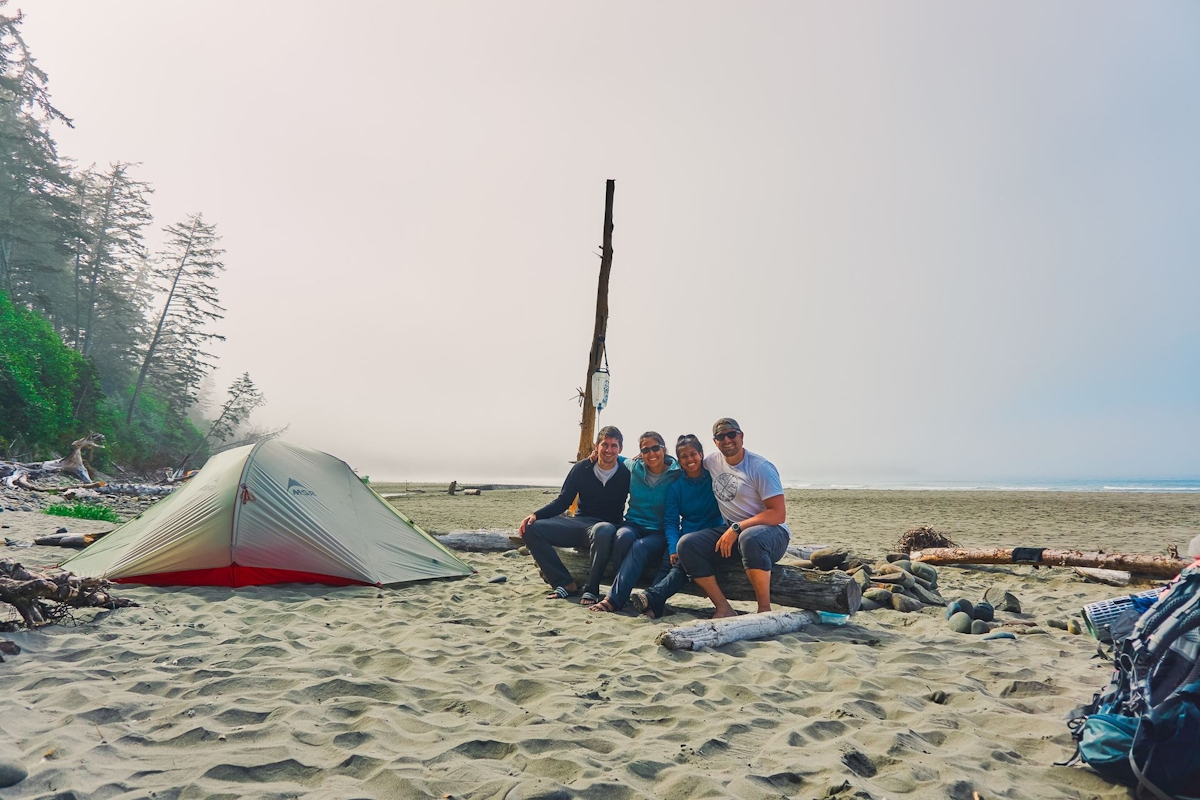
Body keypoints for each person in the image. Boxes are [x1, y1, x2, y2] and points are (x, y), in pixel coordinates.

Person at [676, 418, 789, 618]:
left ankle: (764, 610)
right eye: (721, 436)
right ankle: (724, 608)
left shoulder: (760, 467)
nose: (727, 440)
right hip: (734, 533)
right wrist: (645, 459)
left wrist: (738, 527)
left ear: (741, 436)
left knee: (750, 538)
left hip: (771, 534)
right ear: (715, 441)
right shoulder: (712, 461)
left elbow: (778, 514)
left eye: (731, 434)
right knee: (687, 544)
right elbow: (687, 462)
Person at [519, 426, 630, 601]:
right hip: (580, 523)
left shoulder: (627, 473)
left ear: (620, 449)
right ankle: (564, 583)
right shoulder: (582, 468)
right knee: (530, 528)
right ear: (596, 446)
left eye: (614, 446)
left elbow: (658, 465)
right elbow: (563, 501)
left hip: (608, 526)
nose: (609, 450)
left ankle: (591, 589)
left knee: (602, 530)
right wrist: (536, 515)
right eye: (605, 445)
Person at [631, 433, 724, 619]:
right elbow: (672, 521)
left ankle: (650, 597)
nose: (689, 459)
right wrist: (673, 548)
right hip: (685, 536)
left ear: (701, 454)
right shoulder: (676, 487)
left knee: (683, 564)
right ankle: (654, 607)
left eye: (693, 454)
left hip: (711, 536)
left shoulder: (714, 479)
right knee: (667, 562)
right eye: (684, 456)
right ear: (679, 460)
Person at [589, 431, 681, 612]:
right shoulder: (635, 466)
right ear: (640, 453)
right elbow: (616, 456)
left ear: (664, 449)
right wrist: (595, 453)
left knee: (639, 547)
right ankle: (621, 590)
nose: (651, 453)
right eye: (645, 450)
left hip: (659, 530)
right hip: (633, 524)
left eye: (655, 448)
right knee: (622, 536)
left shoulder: (676, 473)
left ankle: (614, 599)